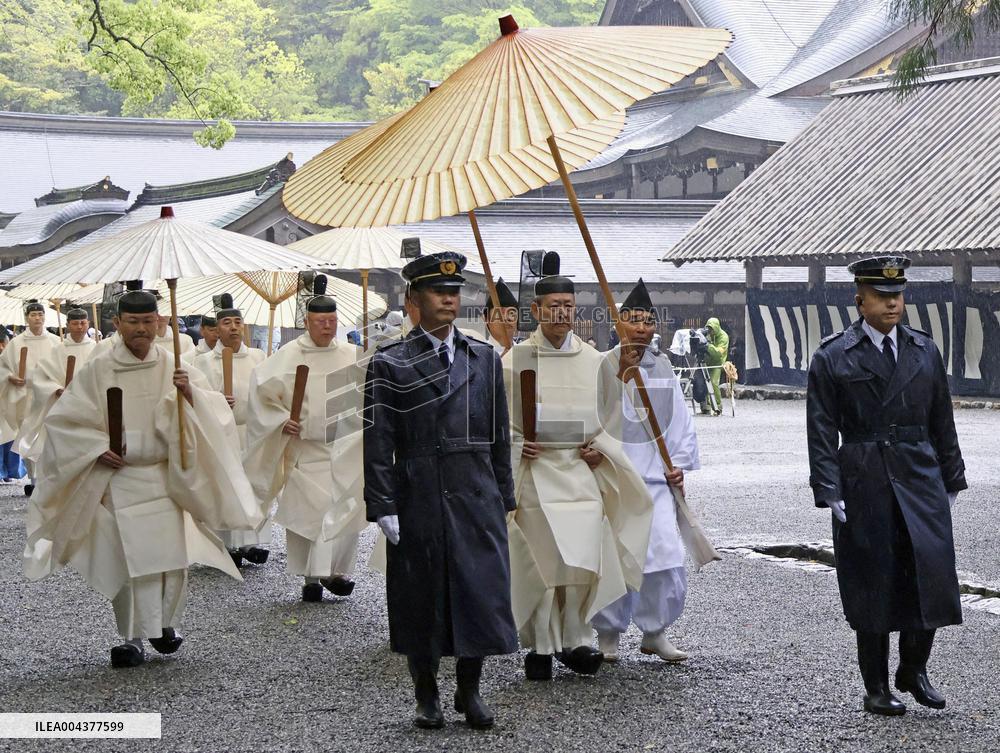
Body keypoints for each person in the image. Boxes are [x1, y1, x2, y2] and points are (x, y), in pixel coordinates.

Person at [23, 287, 261, 668]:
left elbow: (216, 411)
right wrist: (96, 448)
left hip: (166, 475)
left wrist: (190, 393)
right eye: (133, 322)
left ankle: (165, 624)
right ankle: (131, 638)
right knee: (129, 560)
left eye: (148, 321)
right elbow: (66, 420)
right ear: (118, 323)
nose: (141, 329)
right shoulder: (99, 367)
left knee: (171, 557)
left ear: (158, 321)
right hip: (121, 477)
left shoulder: (173, 363)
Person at [807, 255, 967, 716]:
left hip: (920, 471)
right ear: (860, 301)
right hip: (865, 474)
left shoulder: (924, 350)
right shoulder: (833, 355)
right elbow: (821, 428)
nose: (892, 303)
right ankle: (875, 685)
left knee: (931, 571)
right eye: (881, 296)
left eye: (897, 295)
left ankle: (913, 669)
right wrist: (829, 487)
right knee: (872, 579)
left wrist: (952, 476)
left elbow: (942, 417)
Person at [364, 250, 517, 730]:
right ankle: (426, 693)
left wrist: (504, 496)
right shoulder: (390, 363)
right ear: (413, 299)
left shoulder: (483, 358)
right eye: (438, 291)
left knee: (479, 591)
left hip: (475, 489)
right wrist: (382, 503)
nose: (449, 300)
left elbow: (499, 434)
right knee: (421, 593)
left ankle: (470, 689)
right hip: (421, 488)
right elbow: (378, 438)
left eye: (454, 292)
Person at [503, 252, 653, 682]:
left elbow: (609, 417)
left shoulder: (594, 360)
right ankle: (541, 644)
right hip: (535, 473)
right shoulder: (513, 362)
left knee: (582, 557)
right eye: (553, 307)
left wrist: (600, 449)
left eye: (568, 306)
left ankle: (575, 638)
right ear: (536, 311)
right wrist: (517, 444)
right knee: (542, 560)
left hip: (579, 471)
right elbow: (495, 421)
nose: (561, 314)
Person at [593, 279, 699, 662]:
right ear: (618, 322)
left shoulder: (663, 365)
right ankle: (607, 634)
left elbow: (680, 421)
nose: (641, 328)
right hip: (615, 477)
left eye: (648, 321)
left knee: (663, 556)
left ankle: (655, 631)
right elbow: (590, 416)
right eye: (633, 320)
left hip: (655, 478)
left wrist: (678, 465)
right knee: (614, 558)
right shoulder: (601, 365)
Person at [245, 275, 366, 602]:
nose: (327, 327)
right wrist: (280, 420)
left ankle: (334, 572)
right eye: (320, 321)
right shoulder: (288, 355)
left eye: (332, 321)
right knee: (314, 513)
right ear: (307, 323)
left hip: (343, 447)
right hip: (306, 449)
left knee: (344, 509)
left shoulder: (353, 354)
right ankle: (315, 577)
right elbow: (261, 397)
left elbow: (368, 395)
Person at [193, 294, 269, 567]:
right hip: (220, 432)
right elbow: (196, 395)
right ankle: (227, 544)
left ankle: (250, 541)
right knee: (225, 487)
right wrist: (216, 401)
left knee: (252, 486)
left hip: (251, 430)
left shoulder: (258, 356)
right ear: (217, 328)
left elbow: (269, 390)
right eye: (227, 323)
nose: (234, 327)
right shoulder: (202, 362)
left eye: (238, 322)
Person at [17, 308, 98, 467]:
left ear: (88, 324)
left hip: (91, 404)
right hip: (62, 404)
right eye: (75, 323)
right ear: (68, 325)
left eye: (83, 323)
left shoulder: (97, 348)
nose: (80, 327)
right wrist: (56, 389)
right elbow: (41, 376)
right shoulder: (57, 350)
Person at [0, 300, 62, 496]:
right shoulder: (16, 343)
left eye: (40, 314)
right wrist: (10, 377)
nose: (37, 318)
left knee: (49, 437)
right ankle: (34, 479)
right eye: (33, 315)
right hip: (25, 395)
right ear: (27, 318)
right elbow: (3, 367)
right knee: (27, 436)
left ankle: (48, 477)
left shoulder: (56, 342)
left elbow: (62, 367)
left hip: (49, 396)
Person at [484, 278, 518, 354]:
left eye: (511, 313)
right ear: (487, 319)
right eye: (500, 313)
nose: (506, 318)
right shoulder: (478, 355)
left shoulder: (525, 354)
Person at [702, 317, 728, 416]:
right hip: (706, 362)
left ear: (716, 327)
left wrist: (708, 345)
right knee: (703, 383)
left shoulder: (724, 337)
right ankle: (706, 406)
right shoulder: (706, 335)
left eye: (711, 329)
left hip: (718, 363)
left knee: (713, 383)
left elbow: (718, 353)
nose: (709, 331)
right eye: (708, 328)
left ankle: (718, 406)